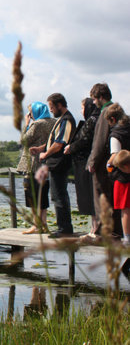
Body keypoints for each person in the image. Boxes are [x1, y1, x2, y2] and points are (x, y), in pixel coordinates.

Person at [30, 93, 76, 237]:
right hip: (55, 163)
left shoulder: (67, 120)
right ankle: (62, 227)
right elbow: (53, 141)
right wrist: (40, 148)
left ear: (59, 105)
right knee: (57, 195)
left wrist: (45, 154)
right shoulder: (60, 120)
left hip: (59, 163)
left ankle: (64, 229)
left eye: (51, 107)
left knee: (59, 196)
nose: (50, 110)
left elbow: (59, 144)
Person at [86, 83, 122, 239]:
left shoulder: (105, 113)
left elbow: (100, 141)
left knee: (101, 196)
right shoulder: (118, 111)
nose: (93, 102)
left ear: (101, 97)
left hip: (103, 163)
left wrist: (92, 162)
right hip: (116, 162)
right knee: (112, 196)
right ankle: (116, 230)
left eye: (94, 99)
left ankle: (102, 231)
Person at [17, 102, 55, 234]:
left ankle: (36, 224)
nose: (30, 116)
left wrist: (26, 124)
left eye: (31, 113)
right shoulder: (53, 122)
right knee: (43, 194)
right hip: (46, 162)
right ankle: (43, 223)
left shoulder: (36, 124)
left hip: (32, 163)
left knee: (31, 196)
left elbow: (23, 141)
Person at [64, 98, 100, 235]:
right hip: (85, 163)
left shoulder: (92, 120)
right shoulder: (96, 119)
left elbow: (84, 140)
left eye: (82, 107)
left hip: (86, 163)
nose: (81, 110)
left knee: (90, 197)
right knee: (90, 197)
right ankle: (94, 228)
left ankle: (95, 229)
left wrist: (71, 147)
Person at [105, 104, 130, 245]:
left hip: (123, 176)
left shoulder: (116, 134)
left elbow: (114, 157)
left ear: (112, 119)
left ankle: (127, 238)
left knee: (125, 208)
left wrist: (108, 166)